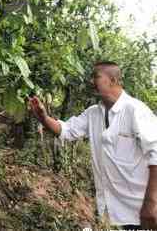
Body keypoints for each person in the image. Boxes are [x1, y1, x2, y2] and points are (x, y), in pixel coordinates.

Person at [29, 61, 157, 230]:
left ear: (112, 80)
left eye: (96, 76)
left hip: (146, 207)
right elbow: (67, 130)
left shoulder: (135, 111)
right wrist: (44, 118)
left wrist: (151, 201)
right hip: (123, 210)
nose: (91, 81)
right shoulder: (93, 113)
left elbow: (155, 152)